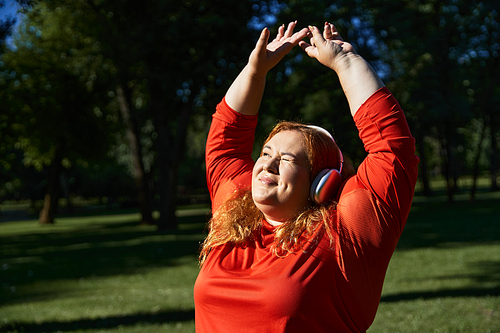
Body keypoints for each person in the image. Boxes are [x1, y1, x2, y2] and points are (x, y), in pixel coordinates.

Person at [194, 20, 419, 333]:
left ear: (321, 181)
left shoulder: (345, 234)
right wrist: (255, 72)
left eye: (287, 159)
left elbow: (392, 151)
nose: (267, 165)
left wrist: (346, 62)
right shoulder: (233, 214)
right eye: (266, 153)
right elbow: (226, 143)